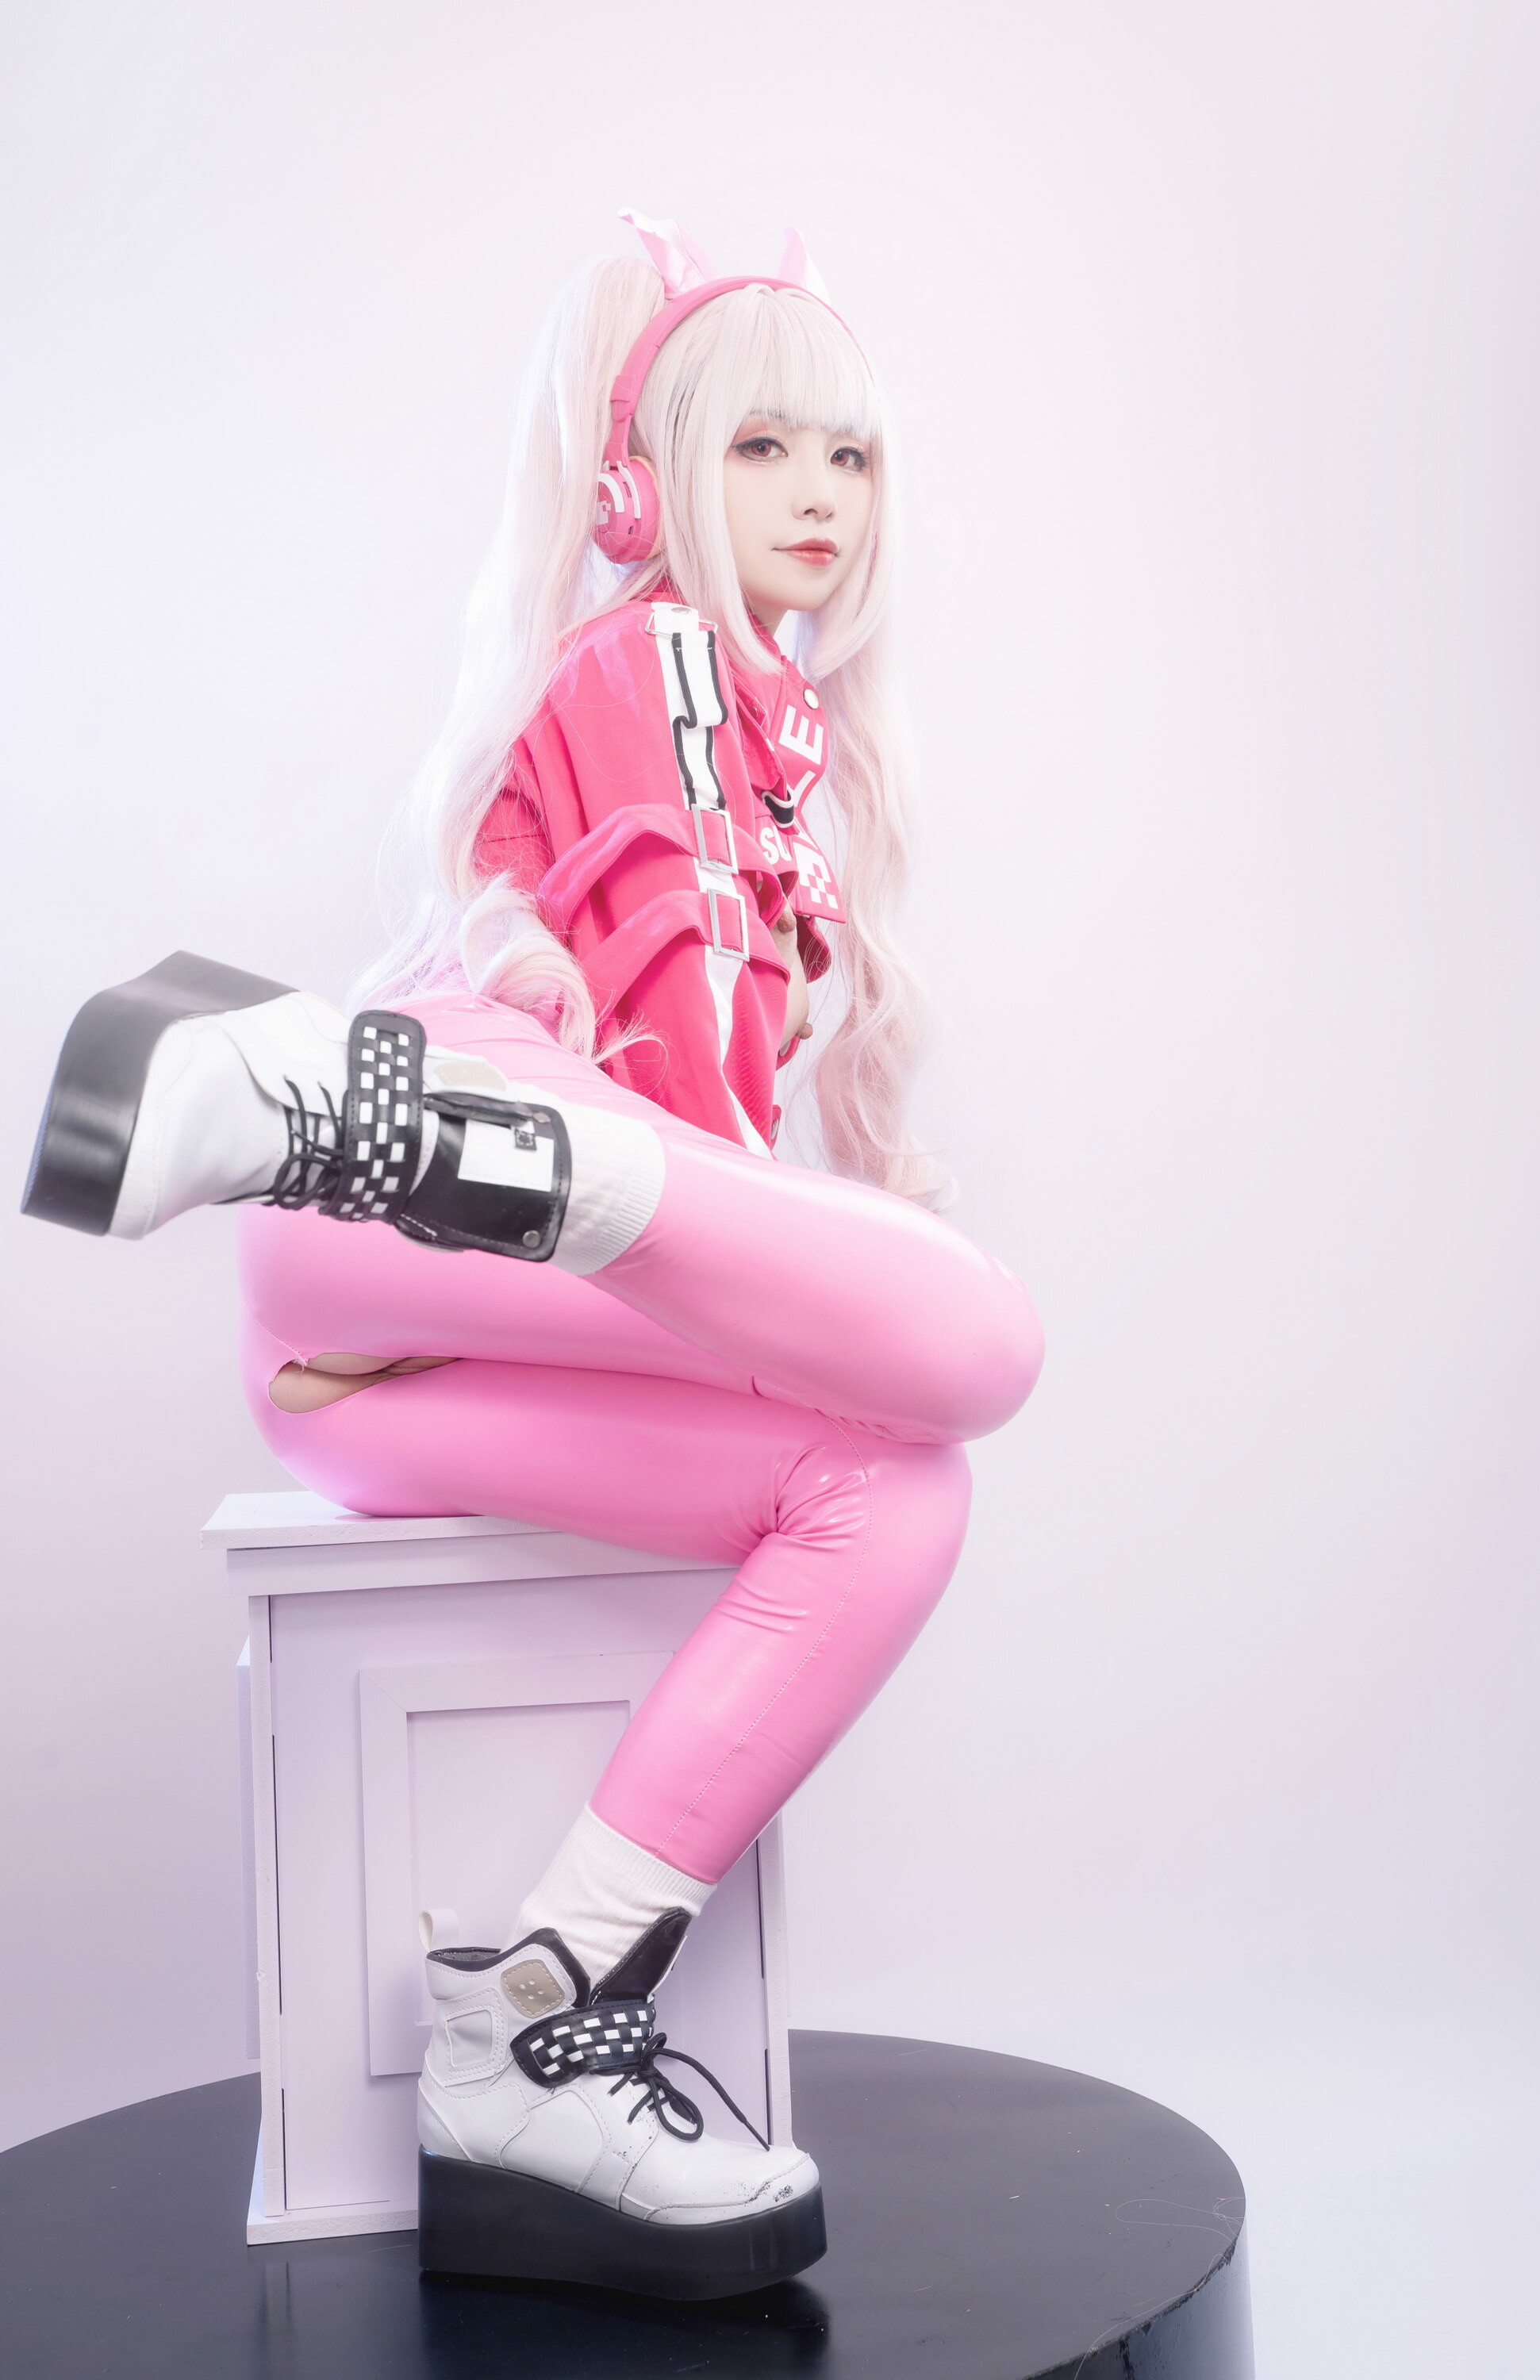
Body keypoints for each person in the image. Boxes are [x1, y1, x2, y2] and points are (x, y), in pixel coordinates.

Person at [22, 216, 1043, 2299]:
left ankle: (537, 2022)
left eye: (852, 456)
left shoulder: (783, 754)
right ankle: (324, 1111)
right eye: (764, 445)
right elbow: (662, 1065)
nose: (821, 498)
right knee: (980, 1343)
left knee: (899, 1491)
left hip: (383, 1385)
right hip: (388, 1247)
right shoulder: (651, 668)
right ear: (654, 472)